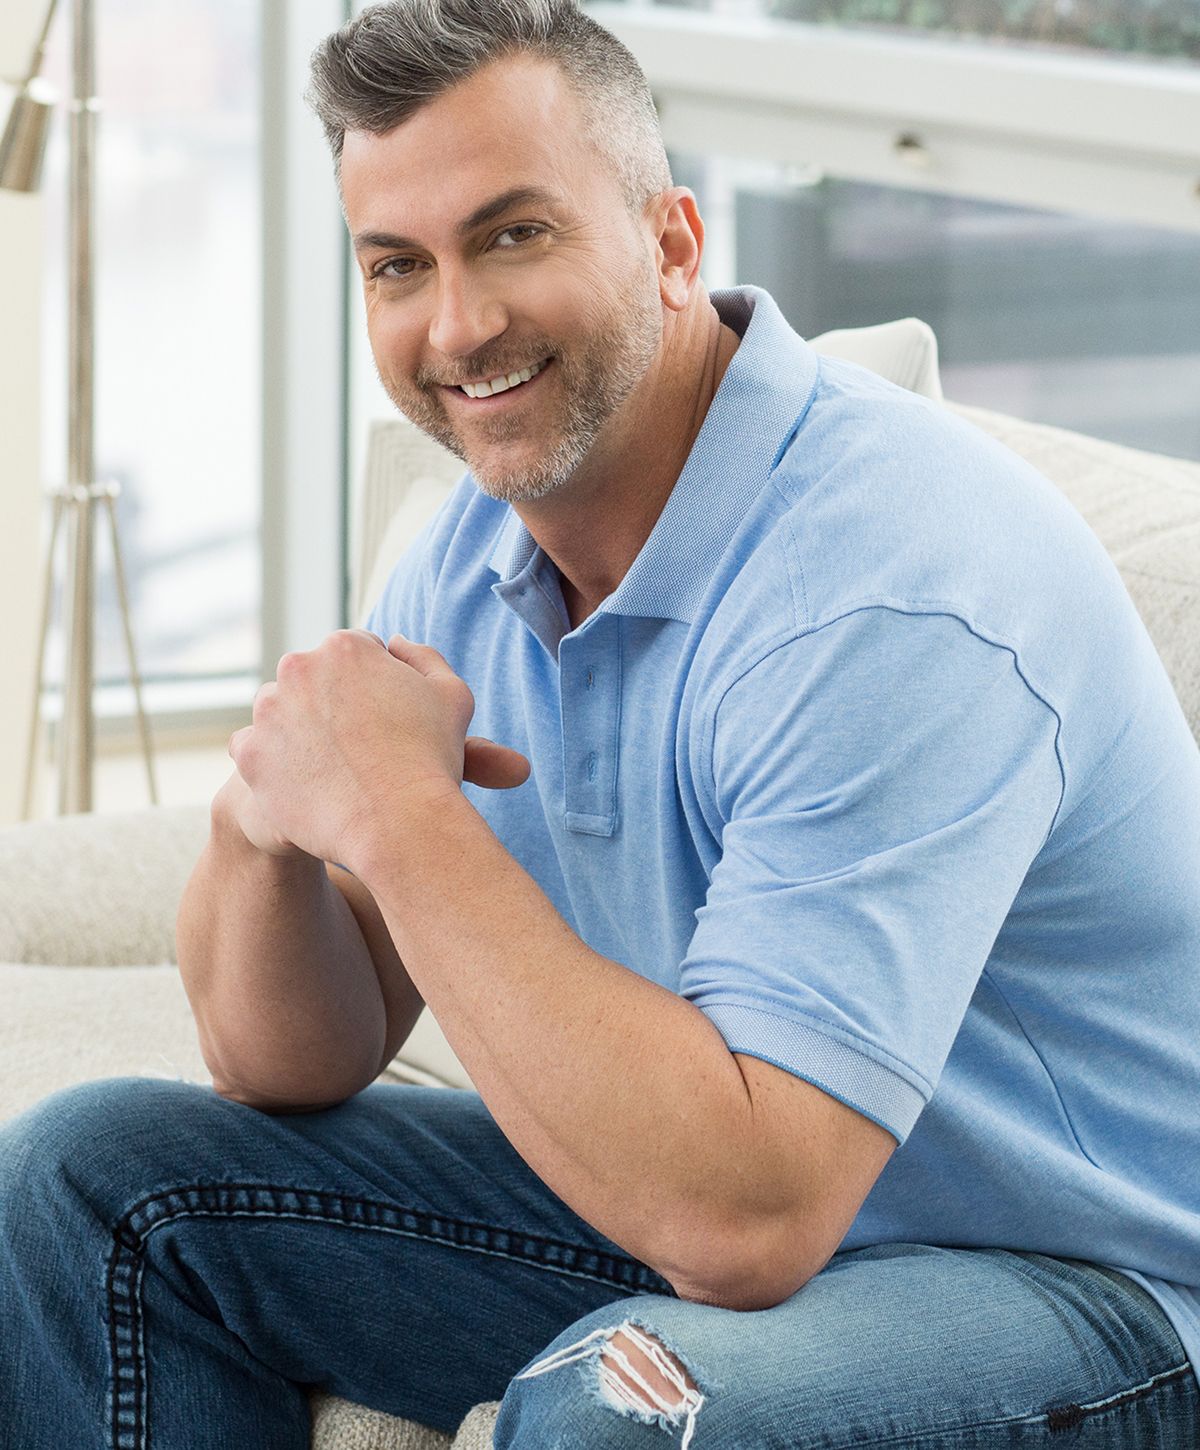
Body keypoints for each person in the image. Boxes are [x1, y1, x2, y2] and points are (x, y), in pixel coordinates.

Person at [1, 1, 1198, 1445]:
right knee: (90, 1183)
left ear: (674, 242)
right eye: (398, 265)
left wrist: (397, 812)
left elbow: (746, 1218)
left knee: (630, 1408)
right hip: (743, 1220)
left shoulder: (891, 590)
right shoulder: (464, 554)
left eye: (514, 235)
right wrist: (265, 825)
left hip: (1097, 1281)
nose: (458, 323)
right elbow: (287, 1061)